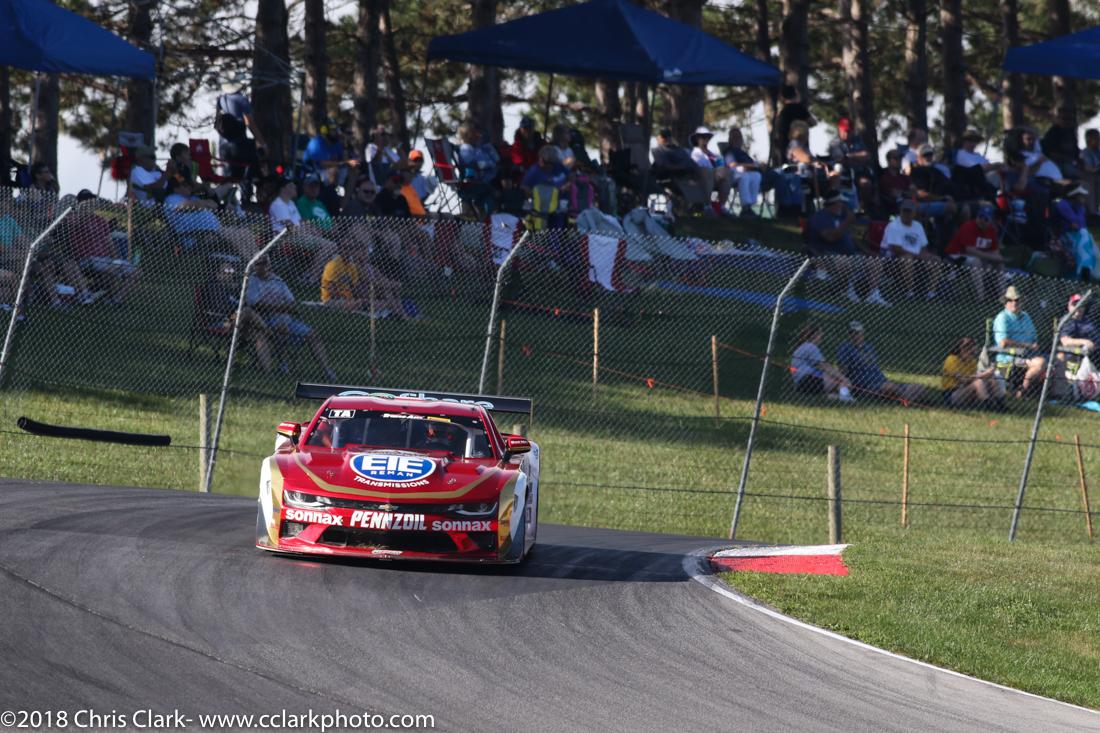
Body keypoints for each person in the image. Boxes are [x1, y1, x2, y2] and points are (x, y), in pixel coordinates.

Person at [245, 255, 337, 379]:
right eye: (258, 264)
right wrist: (281, 307)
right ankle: (283, 364)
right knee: (281, 327)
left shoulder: (278, 281)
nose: (262, 267)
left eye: (264, 264)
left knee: (313, 336)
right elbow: (255, 304)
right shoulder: (253, 280)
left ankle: (327, 371)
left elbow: (292, 304)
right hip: (265, 319)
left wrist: (280, 307)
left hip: (287, 319)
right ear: (254, 266)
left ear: (269, 265)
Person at [806, 193, 888, 305]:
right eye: (842, 203)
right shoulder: (820, 218)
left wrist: (867, 251)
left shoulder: (842, 216)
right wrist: (846, 222)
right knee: (844, 262)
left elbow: (851, 238)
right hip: (827, 255)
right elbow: (829, 238)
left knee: (875, 260)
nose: (844, 206)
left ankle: (873, 294)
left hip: (851, 255)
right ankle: (845, 290)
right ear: (835, 204)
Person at [199, 258, 274, 372]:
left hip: (238, 321)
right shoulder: (213, 286)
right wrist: (235, 311)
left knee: (260, 335)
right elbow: (220, 309)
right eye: (226, 271)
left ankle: (268, 372)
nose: (230, 273)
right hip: (220, 322)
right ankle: (271, 333)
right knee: (247, 311)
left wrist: (237, 291)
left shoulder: (236, 288)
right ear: (217, 273)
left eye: (231, 271)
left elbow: (245, 303)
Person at [68, 190, 141, 305]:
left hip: (105, 260)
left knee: (136, 272)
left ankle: (115, 300)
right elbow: (72, 228)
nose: (91, 203)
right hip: (86, 259)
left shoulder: (101, 220)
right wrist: (82, 212)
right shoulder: (75, 218)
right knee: (111, 271)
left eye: (92, 200)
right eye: (87, 201)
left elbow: (109, 243)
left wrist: (116, 259)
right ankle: (98, 292)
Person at [163, 177, 257, 259]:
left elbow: (214, 204)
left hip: (214, 232)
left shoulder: (192, 198)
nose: (189, 187)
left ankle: (257, 262)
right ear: (176, 188)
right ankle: (254, 265)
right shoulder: (171, 199)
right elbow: (186, 206)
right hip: (197, 237)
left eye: (189, 185)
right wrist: (202, 204)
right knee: (239, 236)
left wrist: (200, 204)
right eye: (185, 185)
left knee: (246, 233)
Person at [836, 321, 925, 403]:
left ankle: (906, 397)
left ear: (863, 333)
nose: (856, 335)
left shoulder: (869, 347)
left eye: (858, 332)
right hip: (865, 385)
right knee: (890, 387)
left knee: (919, 387)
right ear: (849, 334)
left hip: (881, 380)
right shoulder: (845, 348)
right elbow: (842, 370)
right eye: (852, 333)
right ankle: (908, 399)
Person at [268, 179, 337, 283]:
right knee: (330, 246)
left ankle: (318, 277)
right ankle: (310, 278)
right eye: (292, 186)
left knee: (333, 250)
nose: (295, 188)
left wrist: (312, 229)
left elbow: (301, 221)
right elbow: (289, 227)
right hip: (286, 238)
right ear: (284, 189)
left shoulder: (291, 203)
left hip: (300, 235)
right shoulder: (278, 204)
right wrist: (308, 230)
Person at [320, 246, 411, 319]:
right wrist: (393, 285)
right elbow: (371, 281)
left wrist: (391, 284)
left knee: (390, 291)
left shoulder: (368, 267)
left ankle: (398, 311)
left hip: (372, 289)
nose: (364, 254)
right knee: (387, 291)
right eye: (361, 252)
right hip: (362, 290)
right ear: (355, 253)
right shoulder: (356, 266)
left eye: (365, 252)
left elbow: (382, 278)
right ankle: (399, 312)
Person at [880, 198, 941, 299]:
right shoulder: (894, 225)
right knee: (907, 258)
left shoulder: (918, 226)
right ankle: (909, 292)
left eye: (909, 211)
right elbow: (896, 249)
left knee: (936, 260)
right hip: (892, 258)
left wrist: (925, 256)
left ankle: (931, 293)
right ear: (901, 211)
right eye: (905, 211)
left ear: (914, 213)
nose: (907, 214)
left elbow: (923, 246)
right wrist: (918, 256)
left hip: (915, 256)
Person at [992, 285, 1046, 397]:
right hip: (1009, 356)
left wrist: (1033, 346)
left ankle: (1058, 396)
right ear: (1005, 302)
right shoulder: (1002, 318)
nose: (1014, 303)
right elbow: (1003, 342)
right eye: (1010, 300)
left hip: (1029, 354)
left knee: (1056, 360)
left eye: (1017, 300)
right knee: (1040, 363)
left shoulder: (1026, 316)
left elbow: (1034, 338)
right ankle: (1022, 391)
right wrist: (1027, 345)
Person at [945, 203, 1004, 300]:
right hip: (957, 256)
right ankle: (980, 298)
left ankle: (1003, 297)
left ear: (990, 221)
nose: (982, 220)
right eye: (980, 217)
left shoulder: (991, 231)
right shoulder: (968, 226)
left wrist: (997, 258)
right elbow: (970, 250)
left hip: (979, 257)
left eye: (986, 219)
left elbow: (994, 251)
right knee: (976, 262)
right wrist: (992, 257)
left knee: (999, 264)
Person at [790, 322, 854, 401]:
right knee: (839, 380)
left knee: (832, 377)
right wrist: (844, 378)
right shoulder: (811, 347)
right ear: (815, 335)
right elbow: (824, 366)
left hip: (800, 384)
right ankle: (846, 398)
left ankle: (834, 397)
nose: (822, 335)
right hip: (807, 381)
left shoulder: (802, 347)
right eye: (820, 333)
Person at [941, 337, 1005, 409]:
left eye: (973, 352)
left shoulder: (972, 362)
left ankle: (999, 403)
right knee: (978, 382)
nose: (972, 354)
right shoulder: (951, 359)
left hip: (966, 390)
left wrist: (988, 374)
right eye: (969, 351)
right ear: (961, 350)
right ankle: (988, 405)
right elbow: (963, 380)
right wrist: (984, 374)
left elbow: (972, 379)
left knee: (992, 378)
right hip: (952, 394)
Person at [216, 85, 265, 178]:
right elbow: (250, 124)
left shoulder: (221, 99)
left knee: (229, 179)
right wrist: (262, 143)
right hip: (240, 146)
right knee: (248, 176)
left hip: (223, 146)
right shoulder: (241, 99)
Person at [827, 117, 875, 210]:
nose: (846, 134)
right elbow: (841, 159)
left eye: (849, 131)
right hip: (843, 174)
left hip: (859, 172)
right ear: (839, 129)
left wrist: (850, 156)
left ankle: (864, 209)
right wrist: (858, 158)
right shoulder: (835, 143)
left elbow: (867, 156)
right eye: (844, 131)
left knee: (865, 183)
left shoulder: (858, 140)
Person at [723, 128, 772, 217]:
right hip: (733, 174)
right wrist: (752, 166)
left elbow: (753, 163)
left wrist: (758, 165)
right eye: (735, 137)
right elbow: (732, 164)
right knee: (745, 176)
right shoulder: (729, 151)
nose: (738, 140)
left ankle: (750, 206)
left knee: (756, 175)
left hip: (749, 172)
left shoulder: (742, 153)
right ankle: (745, 207)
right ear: (730, 139)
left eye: (739, 137)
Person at [1054, 186, 1100, 281]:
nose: (1084, 198)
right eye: (1081, 196)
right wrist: (1076, 223)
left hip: (1077, 237)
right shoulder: (1062, 204)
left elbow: (1080, 224)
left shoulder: (1080, 207)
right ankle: (1084, 269)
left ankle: (1086, 268)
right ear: (1074, 195)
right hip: (1064, 237)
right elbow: (1075, 224)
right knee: (1084, 234)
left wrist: (1080, 210)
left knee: (1084, 235)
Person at [689, 126, 730, 213]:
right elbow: (699, 169)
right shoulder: (695, 154)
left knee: (727, 175)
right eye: (702, 137)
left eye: (707, 137)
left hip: (715, 178)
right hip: (701, 179)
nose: (705, 139)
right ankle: (707, 205)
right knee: (707, 172)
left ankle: (721, 206)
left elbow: (721, 165)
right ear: (697, 139)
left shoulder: (713, 154)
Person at [774, 84, 816, 164]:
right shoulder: (801, 109)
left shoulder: (782, 112)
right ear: (796, 94)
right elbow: (813, 122)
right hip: (795, 152)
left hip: (784, 148)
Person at [877, 149, 911, 217]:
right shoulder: (883, 176)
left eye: (900, 157)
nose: (899, 160)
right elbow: (894, 194)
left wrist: (903, 193)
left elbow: (913, 191)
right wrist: (905, 193)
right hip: (893, 210)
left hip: (911, 205)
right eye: (896, 158)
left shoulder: (904, 177)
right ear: (888, 161)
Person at [1079, 129, 1100, 217]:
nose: (1099, 140)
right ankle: (1093, 213)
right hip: (1090, 177)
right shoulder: (1086, 153)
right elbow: (1089, 168)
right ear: (1089, 140)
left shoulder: (1098, 152)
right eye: (1096, 138)